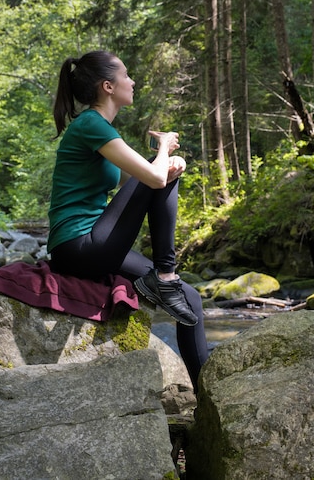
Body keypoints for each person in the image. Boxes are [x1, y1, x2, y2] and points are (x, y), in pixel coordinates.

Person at [47, 50, 208, 391]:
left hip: (95, 245)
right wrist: (164, 149)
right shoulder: (91, 123)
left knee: (190, 298)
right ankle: (165, 274)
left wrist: (167, 164)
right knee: (160, 172)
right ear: (108, 86)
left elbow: (133, 184)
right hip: (78, 246)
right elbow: (151, 178)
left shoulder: (99, 128)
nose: (132, 81)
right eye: (126, 75)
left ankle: (207, 397)